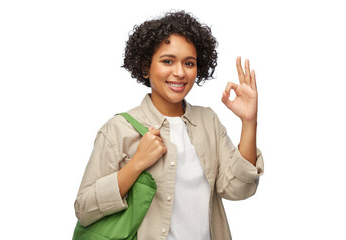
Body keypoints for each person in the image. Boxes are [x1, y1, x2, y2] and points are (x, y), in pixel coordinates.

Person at [74, 10, 264, 240]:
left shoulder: (208, 121)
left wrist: (248, 122)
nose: (179, 73)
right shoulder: (118, 129)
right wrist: (136, 165)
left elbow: (238, 189)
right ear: (146, 66)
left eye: (189, 63)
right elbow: (84, 209)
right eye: (167, 61)